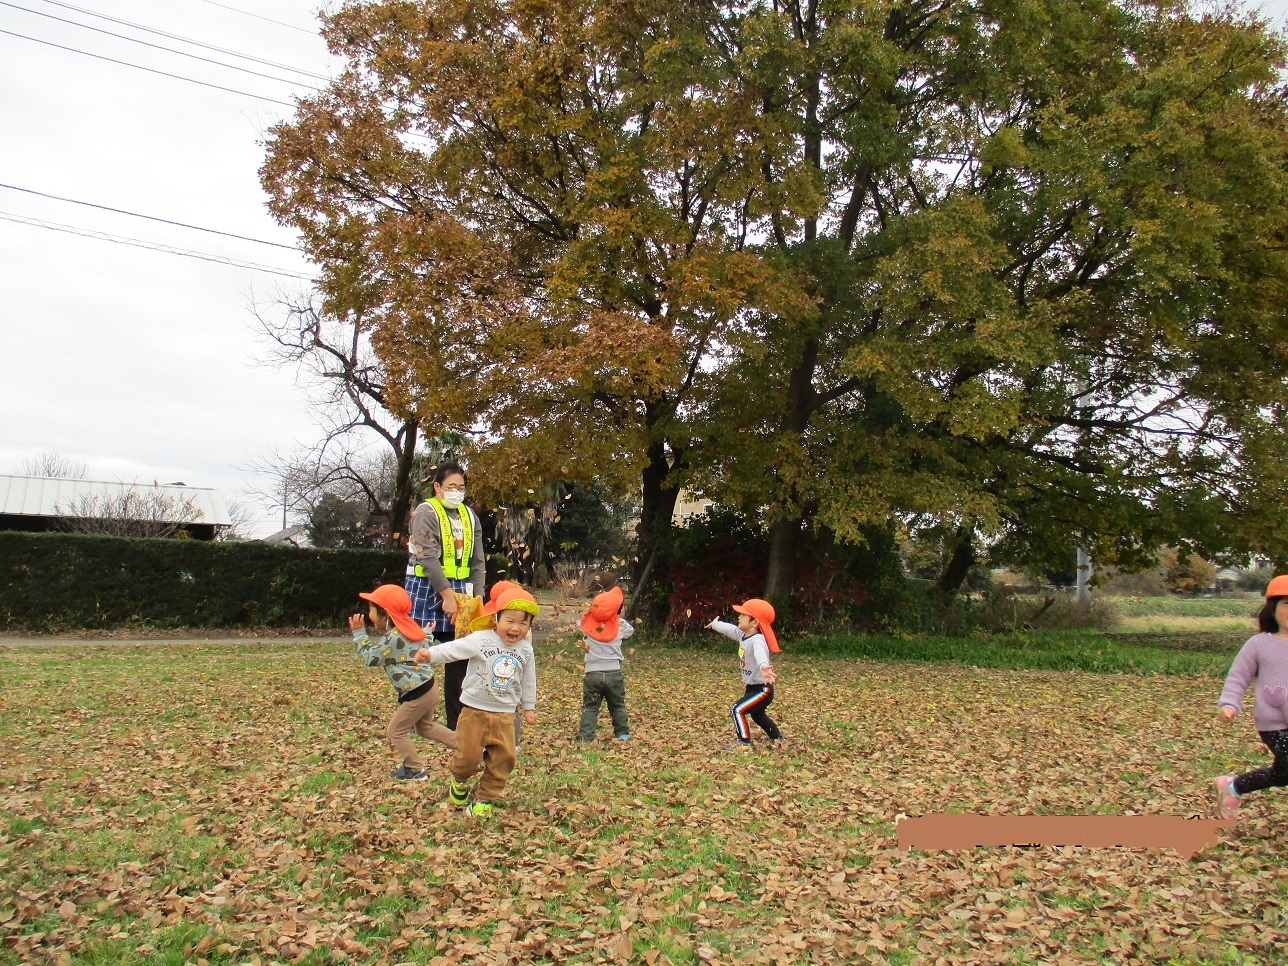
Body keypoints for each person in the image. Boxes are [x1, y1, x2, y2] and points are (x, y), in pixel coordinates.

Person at [413, 586, 538, 818]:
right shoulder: (481, 640)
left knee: (505, 758)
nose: (515, 628)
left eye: (523, 623)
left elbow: (528, 680)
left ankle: (484, 799)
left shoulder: (526, 651)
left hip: (505, 715)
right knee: (468, 756)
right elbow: (454, 650)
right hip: (474, 711)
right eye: (510, 620)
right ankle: (459, 779)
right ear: (495, 619)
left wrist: (528, 707)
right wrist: (430, 655)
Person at [405, 462, 486, 731]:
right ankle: (414, 720)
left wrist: (479, 597)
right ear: (437, 487)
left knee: (460, 659)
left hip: (462, 592)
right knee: (418, 656)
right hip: (428, 591)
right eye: (451, 487)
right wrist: (446, 595)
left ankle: (456, 724)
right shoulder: (425, 512)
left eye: (461, 487)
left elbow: (478, 560)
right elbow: (426, 556)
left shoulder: (469, 516)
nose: (457, 492)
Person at [348, 584, 457, 781]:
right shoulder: (409, 627)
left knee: (395, 730)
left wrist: (359, 635)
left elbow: (370, 658)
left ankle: (414, 768)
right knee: (425, 728)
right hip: (427, 686)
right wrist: (428, 633)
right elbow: (423, 642)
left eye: (372, 609)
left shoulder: (393, 638)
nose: (369, 613)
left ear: (386, 614)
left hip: (418, 693)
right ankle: (468, 747)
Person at [1214, 574, 1288, 821]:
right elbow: (1238, 677)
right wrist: (1229, 704)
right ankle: (1232, 788)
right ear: (1272, 609)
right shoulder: (1258, 645)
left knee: (1283, 773)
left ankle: (1232, 787)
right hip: (1274, 724)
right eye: (1287, 604)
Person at [706, 598, 782, 751]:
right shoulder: (743, 635)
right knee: (757, 715)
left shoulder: (757, 640)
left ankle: (744, 743)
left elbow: (761, 654)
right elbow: (730, 629)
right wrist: (715, 625)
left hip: (763, 690)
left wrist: (764, 667)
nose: (739, 617)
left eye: (743, 615)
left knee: (737, 709)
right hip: (752, 688)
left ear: (754, 623)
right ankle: (778, 739)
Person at [577, 585, 633, 742]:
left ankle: (585, 738)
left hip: (592, 674)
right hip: (614, 673)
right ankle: (622, 735)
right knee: (617, 705)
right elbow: (630, 631)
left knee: (590, 707)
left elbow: (577, 624)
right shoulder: (621, 625)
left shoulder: (587, 624)